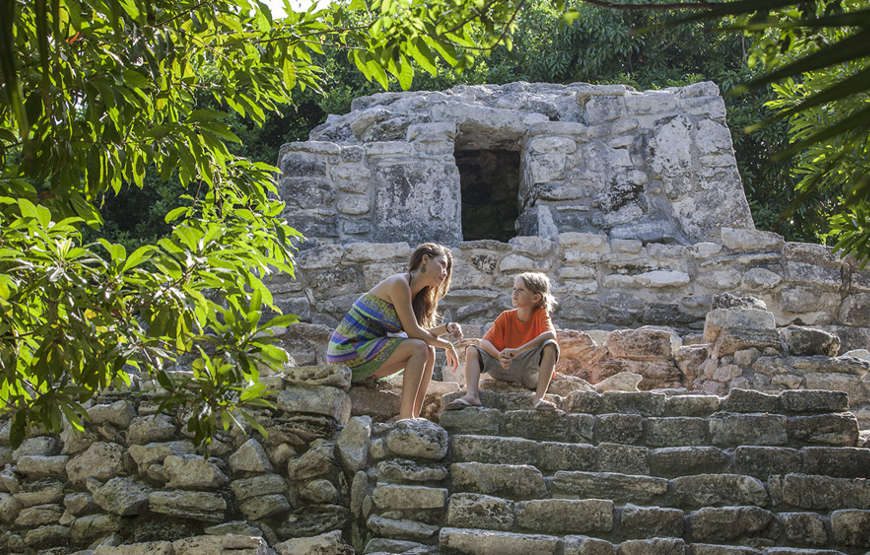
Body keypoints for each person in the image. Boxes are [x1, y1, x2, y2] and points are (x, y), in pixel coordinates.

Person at [326, 243, 463, 420]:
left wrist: (446, 329)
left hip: (367, 350)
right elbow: (413, 332)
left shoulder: (415, 295)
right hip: (347, 351)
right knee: (419, 348)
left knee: (428, 350)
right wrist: (447, 345)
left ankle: (414, 415)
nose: (445, 272)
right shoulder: (399, 284)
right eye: (442, 264)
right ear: (425, 259)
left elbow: (413, 331)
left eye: (447, 269)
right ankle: (406, 418)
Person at [446, 271, 559, 410]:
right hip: (504, 367)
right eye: (514, 289)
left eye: (521, 290)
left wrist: (518, 351)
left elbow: (551, 335)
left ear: (536, 297)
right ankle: (472, 395)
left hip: (529, 372)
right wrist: (498, 355)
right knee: (472, 349)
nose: (515, 293)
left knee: (551, 346)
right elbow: (484, 342)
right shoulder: (506, 317)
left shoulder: (541, 314)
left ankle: (538, 399)